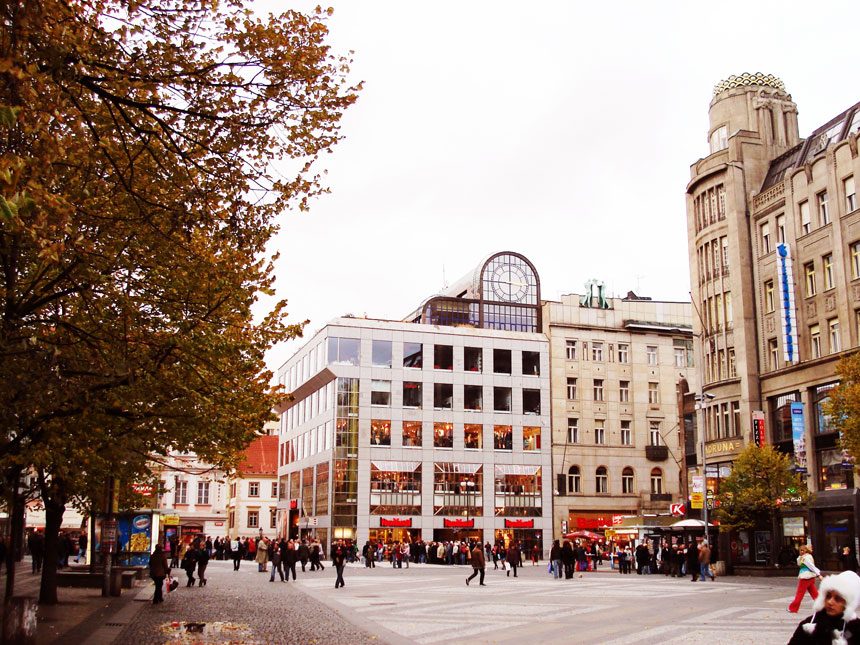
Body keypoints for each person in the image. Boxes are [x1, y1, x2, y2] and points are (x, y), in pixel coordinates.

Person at [788, 570, 860, 644]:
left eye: (837, 599)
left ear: (848, 603)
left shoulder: (855, 628)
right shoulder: (809, 624)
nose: (830, 602)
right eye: (828, 596)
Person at [789, 544, 823, 613]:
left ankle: (793, 608)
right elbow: (799, 563)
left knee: (800, 593)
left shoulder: (806, 558)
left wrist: (818, 574)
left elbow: (812, 566)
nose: (801, 551)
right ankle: (822, 606)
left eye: (803, 550)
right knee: (814, 593)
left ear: (806, 550)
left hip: (805, 577)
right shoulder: (804, 557)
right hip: (809, 577)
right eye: (800, 550)